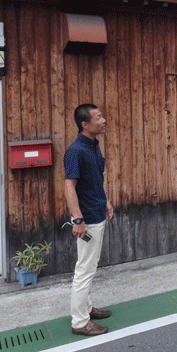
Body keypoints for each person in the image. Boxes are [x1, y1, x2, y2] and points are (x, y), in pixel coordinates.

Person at [64, 103, 114, 336]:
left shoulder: (93, 146)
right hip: (87, 219)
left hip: (96, 211)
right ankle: (80, 322)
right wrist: (77, 219)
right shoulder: (76, 151)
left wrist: (105, 201)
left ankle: (87, 308)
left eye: (102, 116)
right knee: (84, 269)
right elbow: (69, 186)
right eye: (98, 117)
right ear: (85, 124)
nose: (103, 120)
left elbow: (94, 180)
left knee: (90, 266)